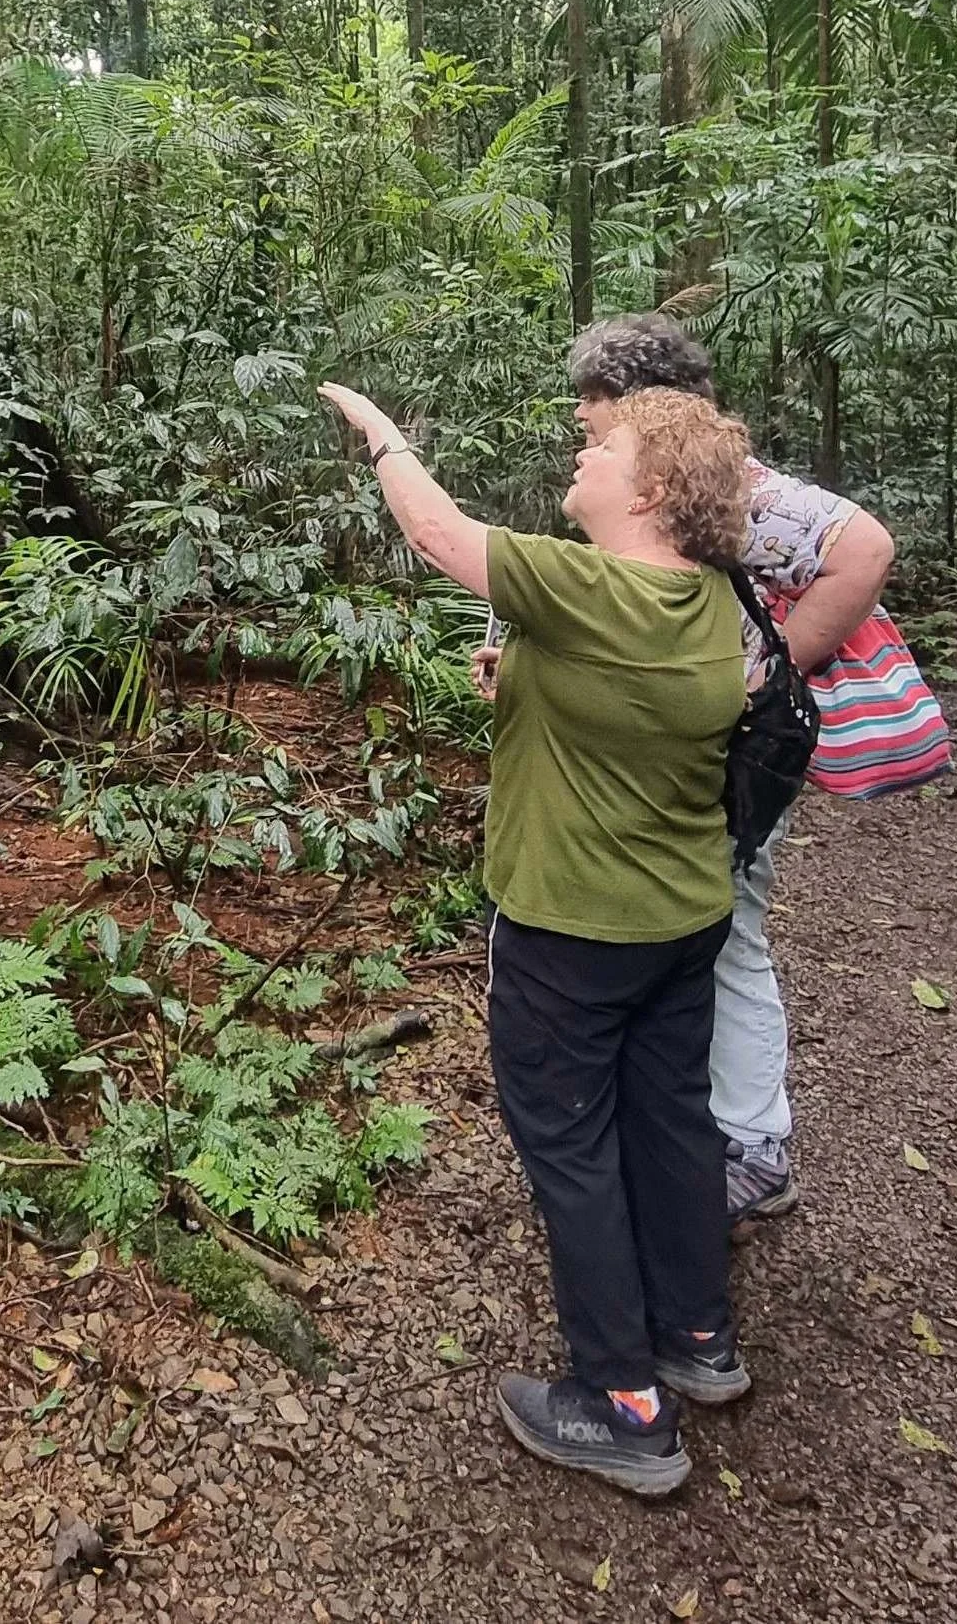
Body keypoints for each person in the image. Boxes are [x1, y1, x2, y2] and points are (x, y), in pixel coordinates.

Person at [321, 376, 755, 1496]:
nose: (581, 459)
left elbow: (432, 528)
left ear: (650, 488)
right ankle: (699, 1340)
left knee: (571, 1145)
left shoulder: (582, 585)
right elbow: (634, 692)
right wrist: (527, 673)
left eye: (600, 447)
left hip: (573, 930)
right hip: (684, 918)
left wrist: (381, 430)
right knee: (670, 1119)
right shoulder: (709, 599)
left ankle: (622, 1406)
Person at [542, 314, 950, 1223]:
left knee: (726, 937)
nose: (580, 415)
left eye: (592, 399)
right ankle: (691, 1127)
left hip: (728, 756)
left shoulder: (725, 483)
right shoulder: (647, 481)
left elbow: (863, 548)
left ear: (635, 401)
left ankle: (753, 1147)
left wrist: (768, 678)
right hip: (669, 754)